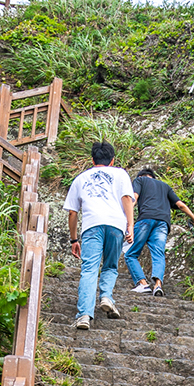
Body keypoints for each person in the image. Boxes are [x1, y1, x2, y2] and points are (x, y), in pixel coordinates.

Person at [64, 141, 135, 329]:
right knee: (110, 266)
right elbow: (127, 198)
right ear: (112, 160)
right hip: (116, 225)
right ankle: (106, 297)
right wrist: (131, 226)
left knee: (89, 269)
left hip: (91, 225)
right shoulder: (120, 174)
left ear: (92, 159)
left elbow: (72, 212)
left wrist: (74, 240)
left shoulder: (80, 178)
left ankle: (85, 315)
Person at [123, 167, 194, 297]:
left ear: (141, 176)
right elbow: (181, 205)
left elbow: (133, 199)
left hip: (146, 220)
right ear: (153, 177)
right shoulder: (165, 186)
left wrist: (126, 218)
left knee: (131, 254)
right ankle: (158, 285)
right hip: (163, 223)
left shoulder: (140, 181)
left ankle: (143, 284)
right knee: (158, 254)